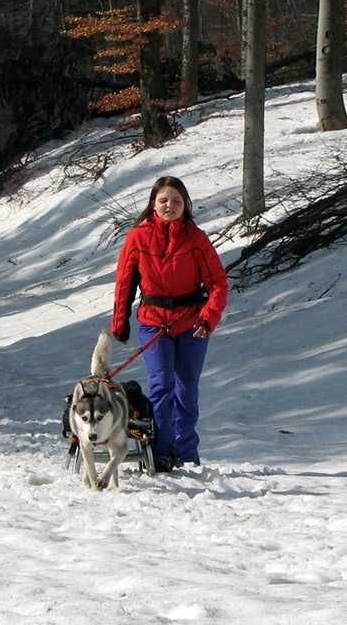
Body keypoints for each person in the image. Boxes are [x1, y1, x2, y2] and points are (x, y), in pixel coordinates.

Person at [109, 176, 229, 472]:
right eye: (163, 200)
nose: (169, 206)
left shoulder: (196, 238)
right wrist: (120, 321)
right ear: (153, 203)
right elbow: (125, 282)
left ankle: (186, 452)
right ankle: (160, 452)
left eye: (176, 201)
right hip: (153, 322)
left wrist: (208, 316)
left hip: (192, 323)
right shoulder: (137, 237)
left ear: (185, 205)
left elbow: (218, 283)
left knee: (186, 389)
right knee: (161, 386)